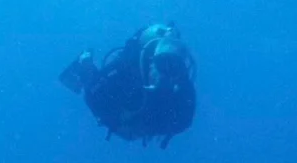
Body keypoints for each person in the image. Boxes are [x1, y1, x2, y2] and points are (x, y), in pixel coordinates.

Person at [60, 23, 196, 148]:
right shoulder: (122, 71)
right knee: (93, 81)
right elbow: (94, 96)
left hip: (145, 121)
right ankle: (85, 65)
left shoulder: (180, 88)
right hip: (124, 118)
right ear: (149, 59)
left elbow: (183, 120)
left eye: (173, 65)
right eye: (161, 63)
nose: (165, 72)